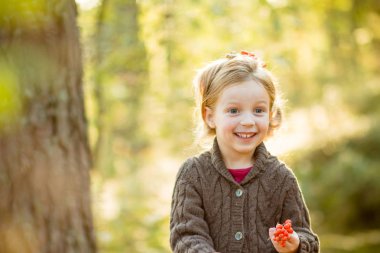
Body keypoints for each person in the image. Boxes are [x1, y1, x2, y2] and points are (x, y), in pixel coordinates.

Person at [169, 51, 319, 253]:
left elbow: (307, 237)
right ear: (210, 116)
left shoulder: (281, 178)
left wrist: (295, 244)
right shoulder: (193, 174)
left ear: (270, 114)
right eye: (233, 110)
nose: (248, 121)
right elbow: (186, 235)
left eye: (258, 110)